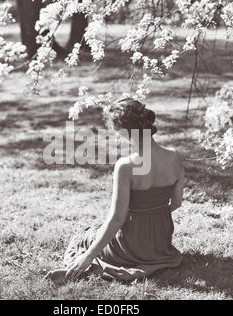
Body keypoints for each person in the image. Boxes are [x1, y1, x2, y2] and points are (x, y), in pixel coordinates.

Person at [47, 98, 184, 282]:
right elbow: (176, 203)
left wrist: (87, 257)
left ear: (123, 129)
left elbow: (117, 219)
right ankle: (143, 263)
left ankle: (92, 268)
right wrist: (151, 220)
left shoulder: (126, 165)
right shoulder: (174, 157)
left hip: (130, 245)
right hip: (159, 245)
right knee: (100, 230)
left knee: (87, 237)